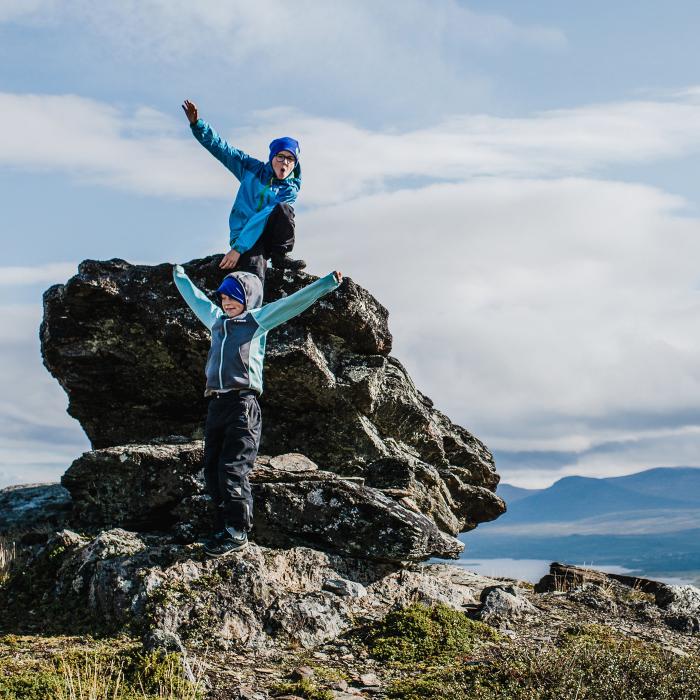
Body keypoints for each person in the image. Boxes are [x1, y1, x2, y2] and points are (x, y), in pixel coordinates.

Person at [173, 263, 342, 556]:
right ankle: (224, 527)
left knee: (233, 468)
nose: (226, 303)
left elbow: (293, 304)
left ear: (248, 300)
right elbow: (196, 299)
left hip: (243, 406)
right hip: (217, 404)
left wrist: (326, 284)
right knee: (212, 469)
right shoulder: (216, 321)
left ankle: (238, 532)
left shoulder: (256, 321)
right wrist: (180, 277)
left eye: (233, 298)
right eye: (223, 298)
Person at [182, 99, 306, 282]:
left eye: (290, 159)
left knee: (283, 210)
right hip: (244, 235)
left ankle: (280, 257)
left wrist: (237, 249)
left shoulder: (290, 189)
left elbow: (265, 214)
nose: (285, 163)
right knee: (253, 272)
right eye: (281, 156)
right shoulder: (251, 168)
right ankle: (251, 307)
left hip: (266, 236)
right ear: (272, 157)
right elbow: (223, 149)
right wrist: (198, 125)